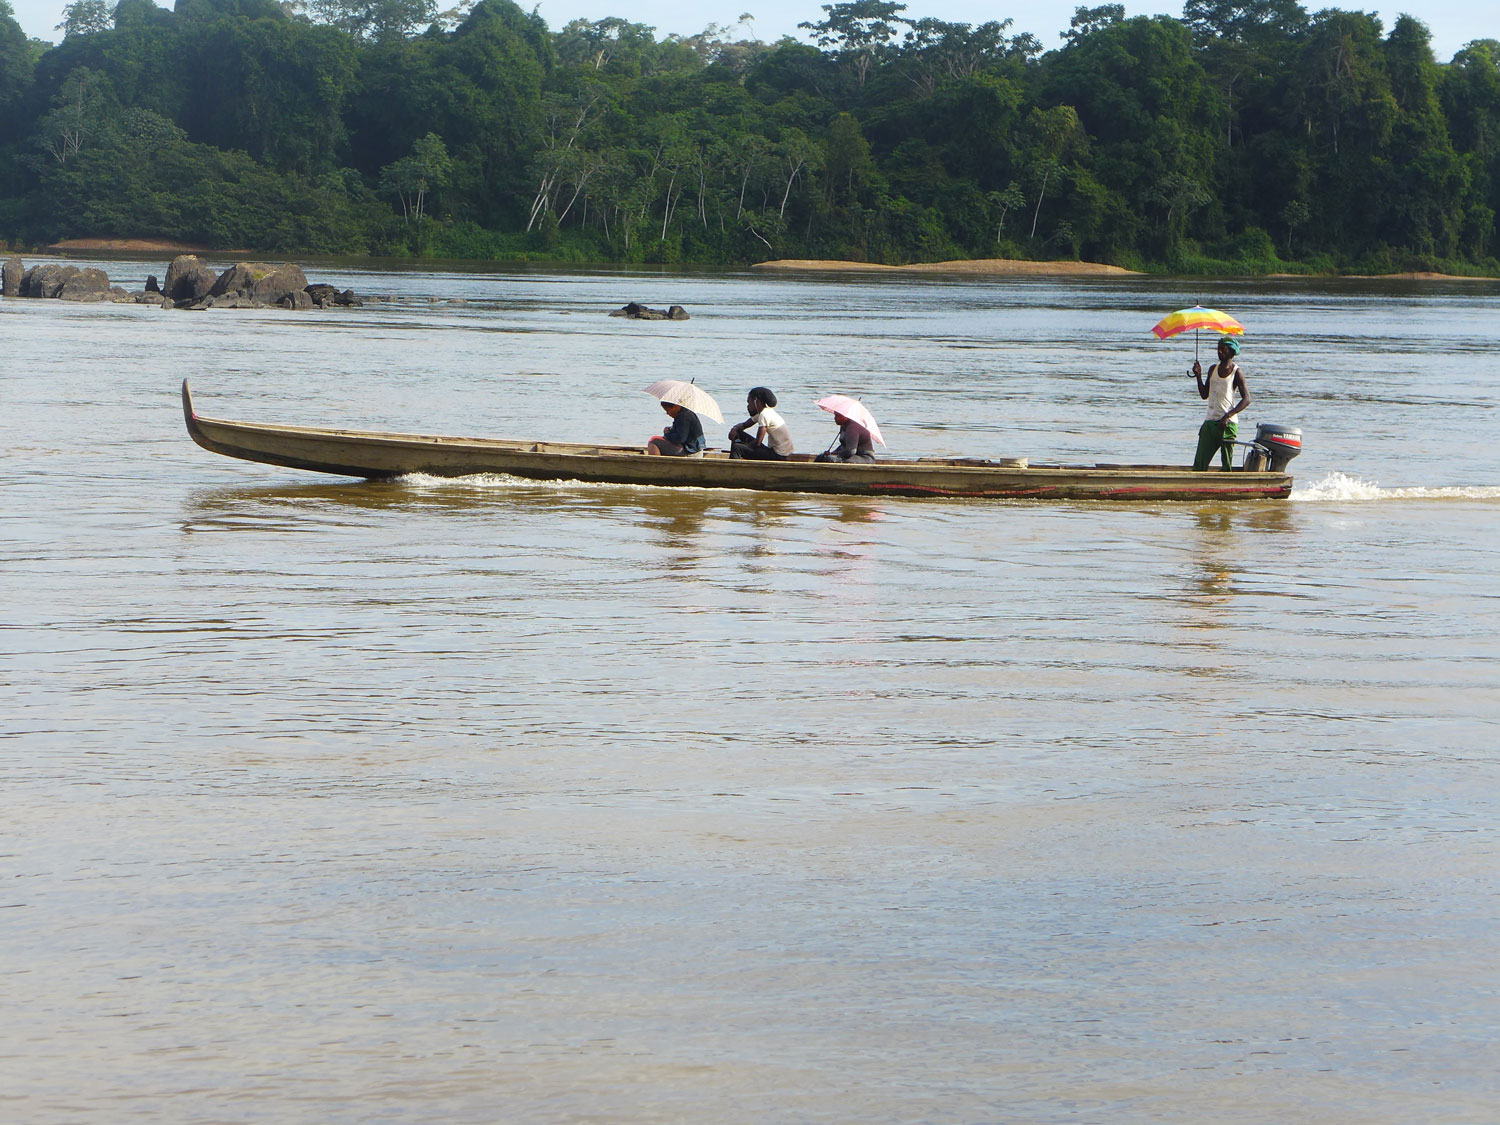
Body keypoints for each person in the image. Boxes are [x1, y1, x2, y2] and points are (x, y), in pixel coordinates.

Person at [1191, 336, 1251, 471]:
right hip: (1210, 422)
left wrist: (1228, 415)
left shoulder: (1237, 372)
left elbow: (1247, 399)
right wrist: (1198, 376)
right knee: (1199, 464)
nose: (1219, 351)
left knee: (1226, 465)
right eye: (1218, 348)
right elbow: (1204, 395)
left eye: (1223, 349)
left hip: (1227, 425)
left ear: (1231, 351)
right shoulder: (1213, 369)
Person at [728, 387, 794, 460]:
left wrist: (743, 447)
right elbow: (745, 425)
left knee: (737, 448)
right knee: (739, 434)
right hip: (778, 453)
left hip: (779, 456)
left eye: (749, 402)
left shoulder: (764, 415)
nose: (748, 406)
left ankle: (733, 468)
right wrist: (735, 428)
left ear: (755, 400)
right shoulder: (766, 412)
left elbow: (758, 442)